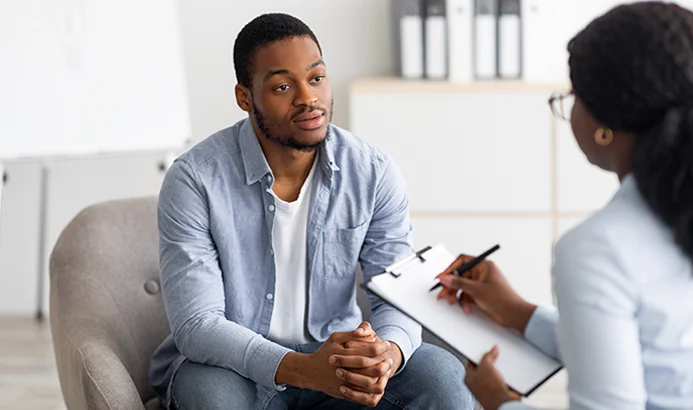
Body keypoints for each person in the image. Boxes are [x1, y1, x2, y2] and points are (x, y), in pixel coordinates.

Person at [148, 12, 473, 410]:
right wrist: (302, 368)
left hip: (337, 358)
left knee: (443, 379)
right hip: (235, 366)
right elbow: (198, 325)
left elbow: (399, 296)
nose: (308, 98)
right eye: (283, 86)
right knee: (210, 397)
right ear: (245, 98)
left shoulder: (373, 172)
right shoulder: (194, 180)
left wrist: (387, 354)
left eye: (316, 78)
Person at [436, 2, 693, 410]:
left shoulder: (598, 249)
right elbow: (653, 357)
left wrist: (498, 401)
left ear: (604, 127)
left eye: (573, 95)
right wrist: (516, 311)